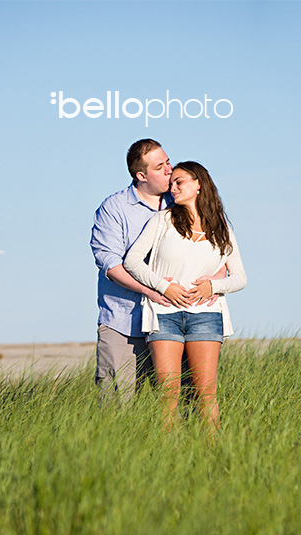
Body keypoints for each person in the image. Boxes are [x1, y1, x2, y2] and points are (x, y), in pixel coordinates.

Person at [124, 161, 246, 425]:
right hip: (164, 314)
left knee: (206, 393)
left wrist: (213, 286)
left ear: (199, 184)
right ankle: (167, 448)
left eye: (179, 182)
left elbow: (240, 278)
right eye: (172, 184)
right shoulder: (162, 220)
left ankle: (213, 448)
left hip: (206, 316)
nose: (173, 188)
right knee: (168, 394)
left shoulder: (222, 228)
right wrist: (163, 286)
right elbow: (132, 261)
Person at [90, 139, 175, 397]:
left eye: (168, 162)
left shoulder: (181, 201)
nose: (169, 170)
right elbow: (109, 263)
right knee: (117, 404)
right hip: (124, 322)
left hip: (173, 322)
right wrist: (151, 291)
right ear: (141, 176)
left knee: (177, 405)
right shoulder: (114, 208)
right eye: (160, 167)